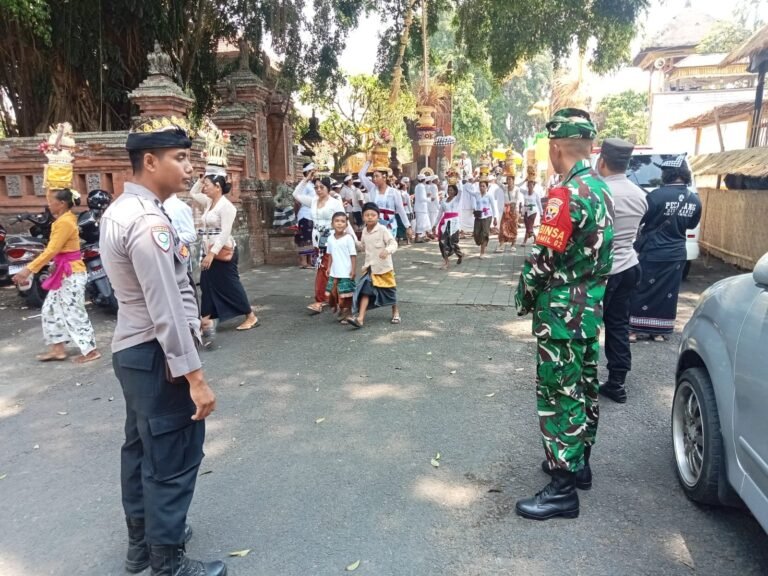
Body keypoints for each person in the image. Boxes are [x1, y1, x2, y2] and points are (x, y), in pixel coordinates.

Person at [100, 118, 226, 575]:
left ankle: (143, 547)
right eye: (180, 158)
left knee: (140, 448)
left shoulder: (118, 211)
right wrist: (195, 377)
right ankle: (167, 562)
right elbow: (167, 308)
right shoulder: (150, 222)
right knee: (171, 455)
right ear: (149, 162)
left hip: (132, 351)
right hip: (157, 353)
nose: (189, 167)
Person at [514, 108, 614, 521]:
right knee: (585, 388)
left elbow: (542, 260)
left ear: (556, 148)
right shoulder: (601, 189)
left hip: (561, 316)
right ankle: (580, 464)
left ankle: (561, 489)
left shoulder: (564, 195)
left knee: (559, 396)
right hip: (590, 311)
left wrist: (524, 296)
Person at [12, 188, 100, 364]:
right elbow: (58, 251)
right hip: (63, 272)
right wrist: (53, 266)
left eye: (51, 200)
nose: (49, 204)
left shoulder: (65, 222)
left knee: (74, 311)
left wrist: (28, 269)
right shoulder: (63, 220)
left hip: (72, 273)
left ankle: (90, 350)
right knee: (50, 309)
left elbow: (52, 250)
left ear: (61, 204)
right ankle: (57, 348)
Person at [596, 138, 648, 404]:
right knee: (617, 324)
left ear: (601, 161)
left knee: (588, 325)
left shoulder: (599, 192)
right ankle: (617, 382)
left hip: (602, 270)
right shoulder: (640, 195)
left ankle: (581, 379)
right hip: (629, 265)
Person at [629, 155, 702, 343]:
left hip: (653, 252)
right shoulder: (694, 200)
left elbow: (641, 220)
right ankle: (659, 332)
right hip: (676, 253)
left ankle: (634, 331)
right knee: (668, 292)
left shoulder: (655, 196)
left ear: (668, 173)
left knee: (642, 288)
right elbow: (691, 224)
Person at [189, 174, 259, 334]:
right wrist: (200, 181)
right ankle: (205, 320)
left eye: (207, 185)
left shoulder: (227, 207)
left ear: (217, 186)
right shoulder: (208, 202)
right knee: (207, 284)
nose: (204, 187)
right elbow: (193, 193)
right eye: (204, 185)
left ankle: (251, 316)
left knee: (230, 285)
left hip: (222, 251)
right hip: (209, 249)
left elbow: (225, 232)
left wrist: (212, 254)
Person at [293, 171, 347, 314]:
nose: (318, 190)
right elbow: (296, 194)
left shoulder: (335, 203)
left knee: (324, 269)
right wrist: (306, 179)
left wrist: (352, 239)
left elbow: (343, 221)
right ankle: (333, 298)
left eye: (321, 187)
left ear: (328, 188)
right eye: (316, 187)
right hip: (317, 240)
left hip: (331, 240)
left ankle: (321, 300)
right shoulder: (313, 201)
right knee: (324, 269)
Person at [348, 202, 400, 328]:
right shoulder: (365, 231)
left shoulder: (382, 229)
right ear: (363, 216)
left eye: (373, 215)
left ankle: (395, 311)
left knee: (390, 292)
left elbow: (393, 243)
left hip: (384, 268)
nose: (370, 217)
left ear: (378, 216)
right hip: (370, 268)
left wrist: (387, 250)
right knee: (365, 291)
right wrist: (352, 239)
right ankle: (360, 319)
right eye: (367, 215)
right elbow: (363, 246)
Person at [358, 160, 412, 239]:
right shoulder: (372, 189)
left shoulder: (394, 192)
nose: (374, 179)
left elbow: (401, 210)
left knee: (387, 249)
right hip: (375, 225)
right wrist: (368, 163)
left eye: (377, 176)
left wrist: (408, 226)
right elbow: (361, 175)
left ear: (384, 177)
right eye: (373, 176)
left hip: (389, 225)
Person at [325, 212, 357, 323]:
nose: (339, 224)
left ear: (346, 225)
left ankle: (347, 313)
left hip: (345, 271)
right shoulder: (330, 239)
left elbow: (353, 255)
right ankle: (340, 309)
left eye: (343, 221)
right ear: (332, 224)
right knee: (333, 293)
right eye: (337, 221)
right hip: (334, 271)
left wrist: (353, 270)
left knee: (346, 294)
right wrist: (328, 268)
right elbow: (330, 255)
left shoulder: (348, 238)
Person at [434, 183, 464, 269]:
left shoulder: (456, 199)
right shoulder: (443, 201)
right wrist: (434, 225)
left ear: (455, 191)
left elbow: (461, 190)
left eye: (452, 190)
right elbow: (440, 214)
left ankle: (460, 255)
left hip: (454, 223)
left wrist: (458, 180)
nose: (450, 191)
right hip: (445, 223)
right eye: (449, 190)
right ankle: (446, 262)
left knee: (453, 243)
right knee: (442, 242)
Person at [294, 163, 316, 269]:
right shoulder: (304, 185)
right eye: (312, 171)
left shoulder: (312, 185)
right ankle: (303, 262)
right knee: (304, 238)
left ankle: (309, 260)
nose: (314, 174)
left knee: (310, 238)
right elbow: (297, 200)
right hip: (304, 215)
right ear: (307, 172)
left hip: (312, 214)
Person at [470, 177, 499, 258]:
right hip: (478, 216)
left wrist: (495, 218)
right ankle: (482, 242)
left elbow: (493, 207)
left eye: (483, 186)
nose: (481, 188)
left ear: (487, 187)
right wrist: (473, 181)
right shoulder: (476, 194)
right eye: (480, 186)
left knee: (484, 233)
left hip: (487, 216)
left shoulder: (489, 196)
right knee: (476, 233)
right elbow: (467, 190)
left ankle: (482, 252)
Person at [494, 174, 520, 252]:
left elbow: (517, 200)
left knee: (513, 227)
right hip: (506, 210)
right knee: (502, 227)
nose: (508, 181)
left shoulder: (517, 189)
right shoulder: (505, 188)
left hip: (513, 210)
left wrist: (516, 210)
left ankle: (513, 244)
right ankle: (501, 245)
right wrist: (501, 174)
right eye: (507, 179)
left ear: (513, 180)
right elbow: (497, 181)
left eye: (510, 179)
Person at [521, 179, 543, 246]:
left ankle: (524, 241)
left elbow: (539, 204)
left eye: (531, 185)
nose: (530, 186)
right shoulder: (525, 192)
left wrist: (541, 213)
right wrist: (524, 180)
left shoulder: (536, 194)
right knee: (528, 226)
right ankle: (535, 238)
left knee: (529, 226)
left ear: (533, 186)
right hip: (526, 211)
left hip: (533, 211)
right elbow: (517, 187)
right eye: (529, 185)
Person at [413, 174, 432, 242]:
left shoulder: (418, 186)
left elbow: (420, 196)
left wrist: (427, 196)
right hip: (421, 208)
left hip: (422, 208)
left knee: (424, 223)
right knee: (420, 223)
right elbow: (421, 198)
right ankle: (417, 238)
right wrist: (429, 199)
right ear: (423, 180)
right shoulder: (421, 187)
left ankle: (423, 236)